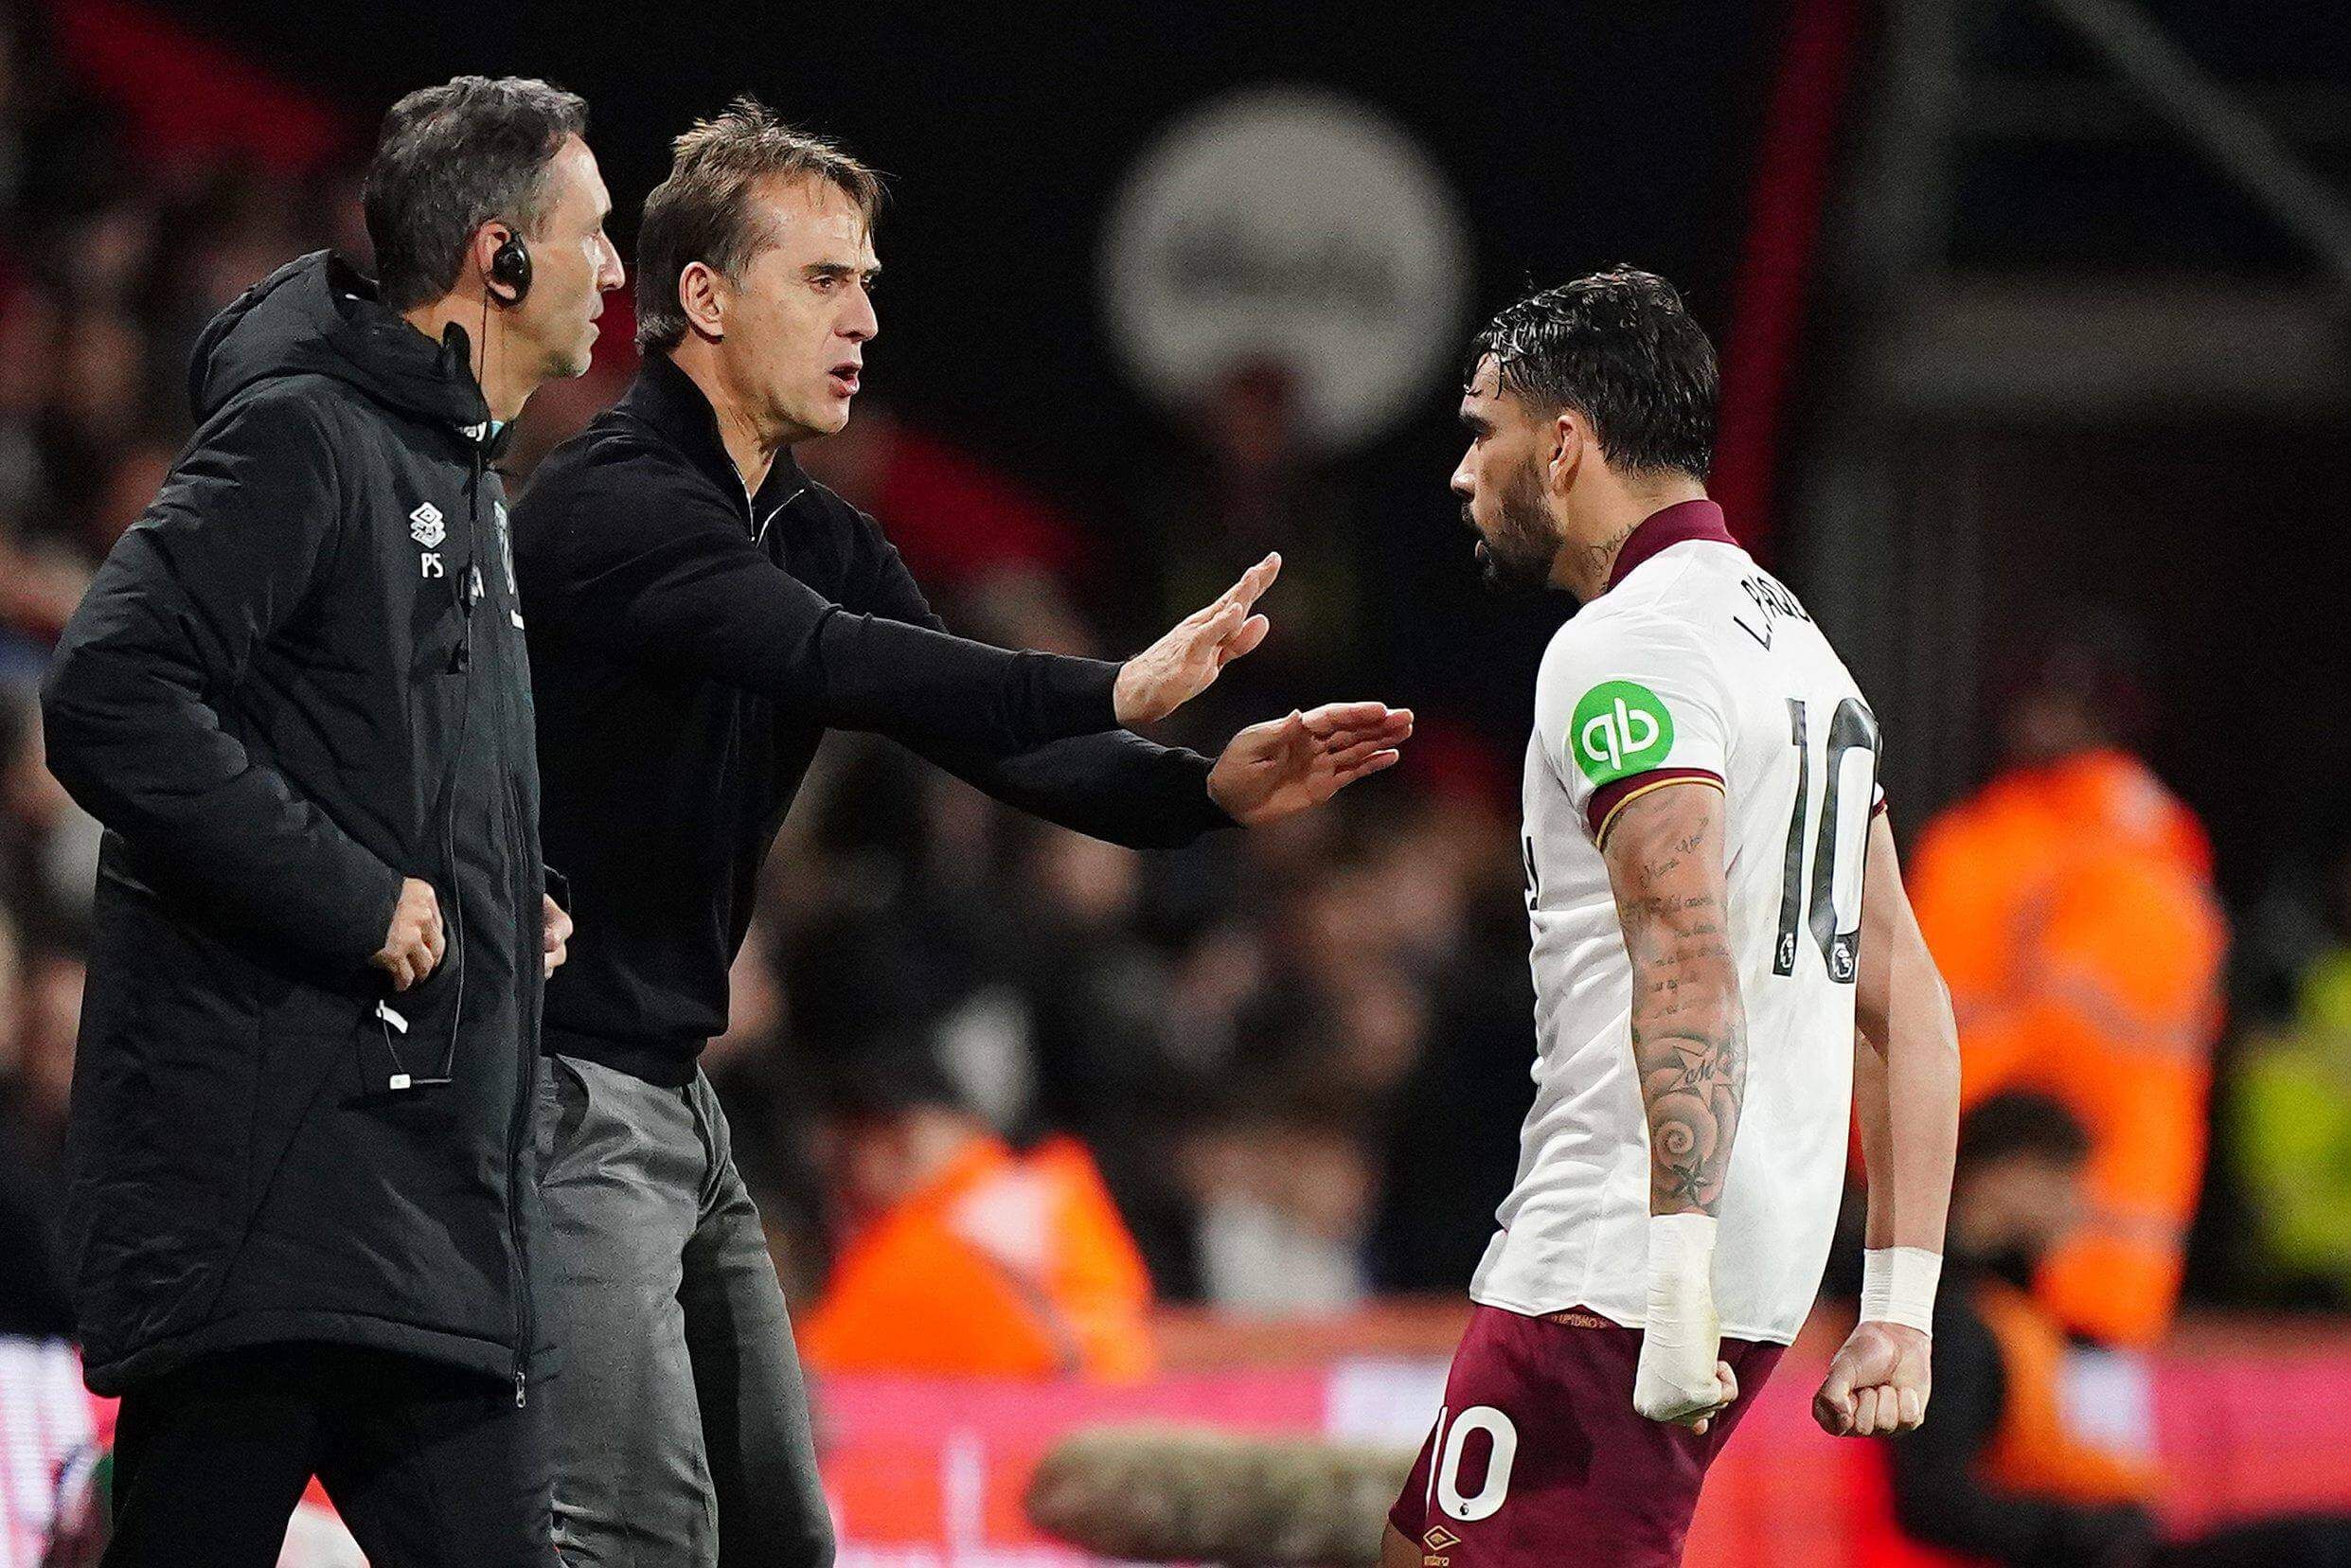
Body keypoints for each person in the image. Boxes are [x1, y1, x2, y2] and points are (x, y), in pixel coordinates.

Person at [511, 98, 1411, 1568]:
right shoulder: (615, 505)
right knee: (635, 1533)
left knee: (773, 1536)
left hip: (662, 1093)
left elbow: (997, 736)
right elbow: (844, 664)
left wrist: (1201, 790)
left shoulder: (805, 528)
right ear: (702, 297)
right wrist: (1119, 679)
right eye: (823, 280)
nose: (865, 315)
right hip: (551, 1085)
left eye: (868, 280)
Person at [38, 76, 621, 1566]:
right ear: (497, 259)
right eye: (591, 235)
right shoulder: (304, 437)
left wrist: (510, 893)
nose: (613, 271)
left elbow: (379, 764)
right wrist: (355, 898)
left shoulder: (468, 481)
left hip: (421, 1218)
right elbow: (111, 690)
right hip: (275, 1215)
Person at [1384, 269, 1962, 1568]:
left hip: (1620, 1265)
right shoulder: (1799, 647)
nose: (1462, 474)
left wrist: (1671, 1276)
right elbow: (1905, 997)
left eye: (1481, 432)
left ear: (1565, 441)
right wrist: (1896, 1308)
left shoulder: (1626, 647)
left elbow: (1684, 954)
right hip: (1727, 1263)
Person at [1908, 628, 2227, 1350]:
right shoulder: (1983, 840)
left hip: (2070, 1248)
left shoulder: (2127, 844)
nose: (2042, 720)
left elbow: (2088, 1033)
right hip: (1988, 1235)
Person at [1888, 1093, 2351, 1568]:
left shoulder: (2014, 1312)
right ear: (2010, 1179)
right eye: (2067, 1184)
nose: (2082, 1209)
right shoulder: (1958, 1320)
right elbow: (1934, 1499)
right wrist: (2093, 1529)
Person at [799, 1048, 1155, 1381]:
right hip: (1111, 1408)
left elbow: (810, 1368)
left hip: (1030, 1425)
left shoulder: (920, 1247)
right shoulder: (1059, 1183)